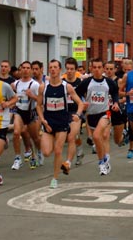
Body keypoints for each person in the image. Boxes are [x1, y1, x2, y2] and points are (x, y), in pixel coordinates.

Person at [36, 59, 83, 189]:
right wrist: (42, 119)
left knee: (58, 151)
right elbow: (38, 106)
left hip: (62, 123)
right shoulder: (43, 87)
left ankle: (55, 178)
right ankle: (59, 164)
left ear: (59, 69)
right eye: (50, 67)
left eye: (55, 67)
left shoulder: (66, 86)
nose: (53, 69)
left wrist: (78, 115)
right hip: (48, 123)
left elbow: (80, 103)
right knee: (46, 152)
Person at [76, 58, 120, 175]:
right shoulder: (87, 82)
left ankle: (102, 163)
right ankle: (103, 159)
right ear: (90, 68)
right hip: (91, 114)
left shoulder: (109, 82)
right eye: (94, 67)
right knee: (98, 138)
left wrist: (115, 103)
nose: (96, 70)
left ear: (103, 69)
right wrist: (82, 102)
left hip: (106, 113)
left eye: (99, 67)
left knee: (98, 136)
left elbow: (115, 93)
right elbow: (77, 93)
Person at [10, 61, 42, 170]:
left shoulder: (34, 84)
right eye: (23, 68)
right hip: (19, 112)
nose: (25, 70)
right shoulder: (16, 84)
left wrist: (31, 95)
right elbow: (10, 94)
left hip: (31, 112)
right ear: (20, 70)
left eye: (28, 68)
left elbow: (41, 101)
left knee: (35, 137)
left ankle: (38, 152)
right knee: (16, 133)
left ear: (31, 70)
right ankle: (18, 158)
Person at [61, 57, 83, 173]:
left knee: (71, 137)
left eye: (72, 69)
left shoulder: (80, 82)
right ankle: (79, 147)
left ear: (76, 70)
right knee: (69, 138)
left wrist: (86, 104)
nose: (69, 71)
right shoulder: (61, 82)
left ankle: (68, 162)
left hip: (76, 113)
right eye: (68, 69)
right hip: (64, 113)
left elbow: (86, 95)